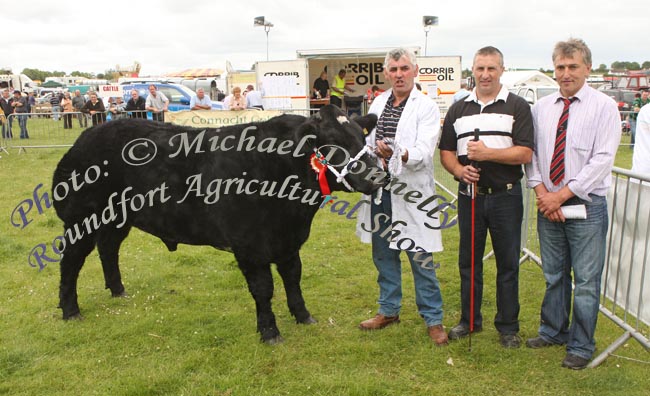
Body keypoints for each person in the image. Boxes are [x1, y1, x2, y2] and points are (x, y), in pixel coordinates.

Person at [524, 38, 621, 370]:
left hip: (586, 207)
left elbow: (603, 159)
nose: (565, 74)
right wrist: (542, 194)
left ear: (588, 68)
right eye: (560, 67)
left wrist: (560, 196)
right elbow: (532, 154)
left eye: (572, 67)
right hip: (547, 205)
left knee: (586, 281)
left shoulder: (605, 107)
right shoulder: (541, 108)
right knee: (553, 275)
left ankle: (581, 344)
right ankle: (553, 330)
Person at [439, 46, 534, 348]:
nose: (485, 74)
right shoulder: (459, 108)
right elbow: (446, 152)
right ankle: (469, 321)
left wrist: (488, 154)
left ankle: (507, 327)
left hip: (506, 197)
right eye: (480, 68)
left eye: (491, 68)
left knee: (508, 263)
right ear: (473, 71)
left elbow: (525, 152)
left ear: (502, 70)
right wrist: (458, 170)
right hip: (471, 196)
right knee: (469, 262)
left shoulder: (517, 106)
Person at [355, 48, 448, 346]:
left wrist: (399, 152)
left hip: (411, 192)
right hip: (381, 191)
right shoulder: (379, 102)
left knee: (420, 256)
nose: (399, 74)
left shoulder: (426, 107)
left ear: (415, 70)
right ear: (386, 73)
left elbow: (423, 150)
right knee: (383, 254)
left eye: (404, 68)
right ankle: (389, 310)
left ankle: (433, 319)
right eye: (393, 69)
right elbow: (367, 142)